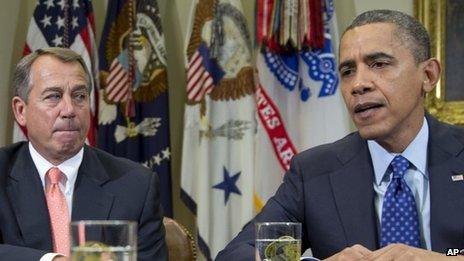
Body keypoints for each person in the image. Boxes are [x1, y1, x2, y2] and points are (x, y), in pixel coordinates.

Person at [217, 9, 464, 260]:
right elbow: (236, 254)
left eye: (379, 64)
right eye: (347, 71)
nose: (358, 84)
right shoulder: (313, 172)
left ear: (428, 75)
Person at [0, 48, 167, 261]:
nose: (69, 110)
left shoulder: (136, 186)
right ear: (20, 111)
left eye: (79, 96)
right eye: (54, 96)